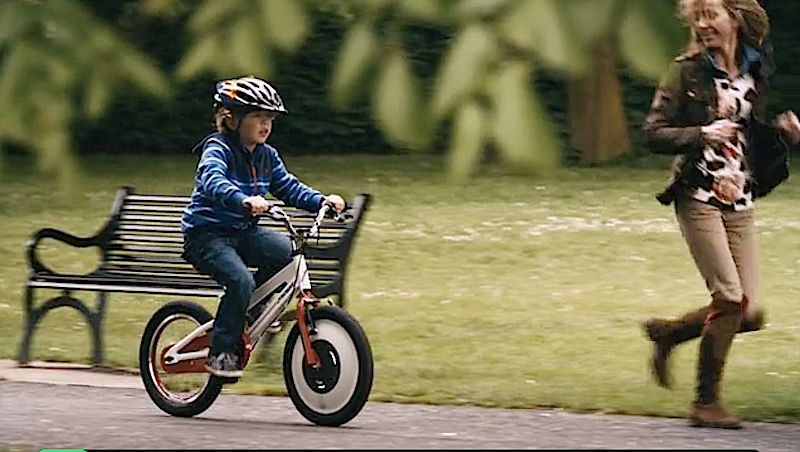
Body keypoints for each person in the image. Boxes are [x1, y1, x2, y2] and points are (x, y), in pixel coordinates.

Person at [641, 0, 800, 429]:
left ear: (735, 16)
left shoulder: (755, 66)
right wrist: (701, 133)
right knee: (729, 298)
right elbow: (653, 133)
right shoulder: (686, 70)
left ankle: (671, 333)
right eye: (698, 16)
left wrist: (781, 134)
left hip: (741, 198)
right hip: (698, 194)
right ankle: (705, 402)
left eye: (711, 14)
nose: (703, 23)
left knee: (747, 313)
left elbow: (747, 132)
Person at [181, 76, 346, 379]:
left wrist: (321, 201)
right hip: (207, 236)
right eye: (257, 117)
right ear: (231, 118)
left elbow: (288, 187)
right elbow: (212, 181)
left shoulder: (266, 156)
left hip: (242, 232)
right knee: (241, 281)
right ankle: (220, 352)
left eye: (269, 118)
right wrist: (243, 200)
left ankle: (250, 313)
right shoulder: (217, 149)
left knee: (285, 251)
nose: (265, 125)